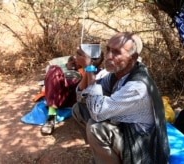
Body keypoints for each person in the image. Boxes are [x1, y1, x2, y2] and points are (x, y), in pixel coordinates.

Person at [72, 32, 170, 163]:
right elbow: (83, 94)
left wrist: (89, 68)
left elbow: (97, 112)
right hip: (125, 130)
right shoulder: (118, 73)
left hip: (141, 149)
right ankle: (101, 155)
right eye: (107, 50)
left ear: (133, 57)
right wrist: (92, 67)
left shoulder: (137, 86)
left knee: (96, 128)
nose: (108, 57)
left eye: (116, 52)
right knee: (79, 109)